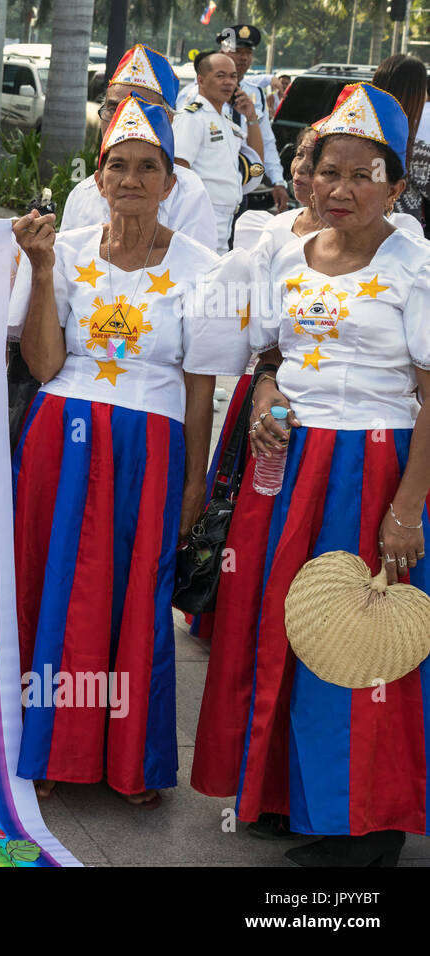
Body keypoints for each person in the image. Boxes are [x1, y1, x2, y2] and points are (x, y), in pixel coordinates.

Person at [194, 83, 430, 866]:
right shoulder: (285, 253)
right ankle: (290, 794)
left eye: (365, 175)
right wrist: (265, 397)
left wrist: (405, 509)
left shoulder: (417, 264)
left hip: (375, 466)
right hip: (292, 469)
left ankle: (366, 825)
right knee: (288, 633)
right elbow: (270, 357)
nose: (342, 188)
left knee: (361, 638)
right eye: (330, 170)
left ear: (397, 188)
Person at [8, 96, 247, 807]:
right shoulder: (65, 250)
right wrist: (44, 270)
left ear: (173, 182)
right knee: (53, 592)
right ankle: (44, 744)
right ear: (99, 176)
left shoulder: (208, 265)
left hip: (153, 442)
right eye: (120, 165)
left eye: (150, 167)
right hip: (63, 435)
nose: (134, 179)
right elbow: (45, 365)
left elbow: (201, 389)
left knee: (139, 597)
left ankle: (131, 758)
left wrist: (194, 483)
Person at [61, 44, 218, 250]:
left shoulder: (188, 193)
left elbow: (197, 271)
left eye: (138, 107)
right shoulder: (82, 193)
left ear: (168, 119)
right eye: (113, 109)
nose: (121, 119)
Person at [176, 24, 288, 213]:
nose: (243, 57)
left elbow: (266, 143)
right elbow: (180, 163)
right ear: (223, 52)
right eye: (237, 51)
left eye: (248, 52)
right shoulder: (193, 97)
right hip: (202, 200)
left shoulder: (254, 94)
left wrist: (278, 180)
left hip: (239, 191)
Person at [173, 50, 264, 252]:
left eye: (233, 76)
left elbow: (257, 164)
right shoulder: (193, 117)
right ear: (201, 80)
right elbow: (179, 169)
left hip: (227, 215)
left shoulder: (224, 118)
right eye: (220, 76)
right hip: (201, 215)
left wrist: (251, 117)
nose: (229, 82)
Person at [375, 54, 430, 232]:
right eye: (423, 90)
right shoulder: (415, 151)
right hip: (398, 243)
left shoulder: (348, 137)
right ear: (414, 95)